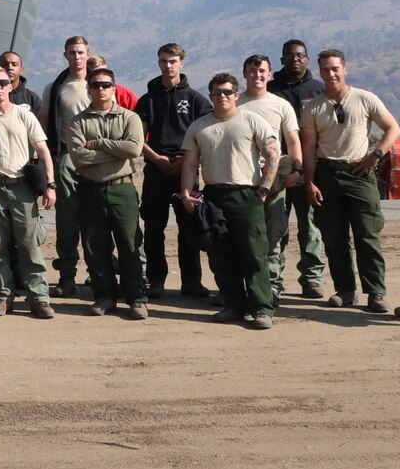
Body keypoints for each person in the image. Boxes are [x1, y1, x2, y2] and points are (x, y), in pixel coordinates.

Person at [300, 49, 400, 313]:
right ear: (319, 72)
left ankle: (376, 292)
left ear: (345, 69)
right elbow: (308, 149)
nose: (330, 74)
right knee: (334, 238)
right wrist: (309, 182)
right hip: (326, 174)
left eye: (335, 69)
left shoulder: (365, 99)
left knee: (367, 236)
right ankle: (345, 291)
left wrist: (376, 155)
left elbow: (393, 128)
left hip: (359, 174)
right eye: (325, 70)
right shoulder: (312, 107)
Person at [180, 73, 282, 329]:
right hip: (213, 196)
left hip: (247, 195)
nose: (222, 96)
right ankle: (234, 305)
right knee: (220, 255)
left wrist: (264, 189)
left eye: (227, 92)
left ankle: (262, 308)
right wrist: (186, 193)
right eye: (216, 92)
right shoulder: (199, 126)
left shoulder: (252, 120)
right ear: (211, 95)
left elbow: (273, 154)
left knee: (254, 253)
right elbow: (191, 164)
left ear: (237, 94)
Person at [0, 68, 57, 318]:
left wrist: (50, 185)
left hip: (22, 186)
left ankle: (39, 297)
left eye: (3, 82)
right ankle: (2, 296)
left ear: (11, 85)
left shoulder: (24, 115)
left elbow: (43, 151)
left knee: (29, 243)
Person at [65, 66, 148, 318]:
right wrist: (115, 151)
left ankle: (136, 297)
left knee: (129, 243)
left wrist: (100, 144)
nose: (100, 89)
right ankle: (104, 296)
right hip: (90, 190)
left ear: (114, 88)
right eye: (95, 85)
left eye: (105, 85)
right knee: (95, 246)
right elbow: (79, 156)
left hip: (122, 189)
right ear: (88, 89)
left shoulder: (129, 118)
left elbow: (134, 149)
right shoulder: (77, 122)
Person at [137, 43, 213, 299]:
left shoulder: (196, 99)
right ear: (158, 63)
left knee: (189, 226)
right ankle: (156, 280)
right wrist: (156, 158)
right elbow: (137, 137)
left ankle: (191, 282)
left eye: (172, 61)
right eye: (163, 61)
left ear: (182, 63)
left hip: (186, 169)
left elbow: (206, 136)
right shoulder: (147, 99)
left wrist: (185, 160)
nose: (167, 66)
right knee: (153, 228)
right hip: (156, 169)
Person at [239, 55, 306, 299]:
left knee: (273, 236)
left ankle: (272, 287)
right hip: (242, 182)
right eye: (253, 70)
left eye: (262, 71)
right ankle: (241, 288)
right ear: (245, 73)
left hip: (275, 183)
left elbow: (293, 141)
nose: (257, 75)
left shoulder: (281, 105)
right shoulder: (234, 103)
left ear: (269, 74)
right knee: (242, 238)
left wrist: (296, 171)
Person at [271, 39, 329, 299]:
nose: (295, 59)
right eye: (289, 55)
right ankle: (274, 280)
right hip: (276, 170)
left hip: (310, 169)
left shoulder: (319, 90)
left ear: (307, 60)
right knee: (277, 226)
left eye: (300, 55)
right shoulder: (270, 90)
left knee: (310, 225)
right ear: (281, 59)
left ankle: (312, 278)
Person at [41, 36, 93, 297]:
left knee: (95, 220)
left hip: (96, 160)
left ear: (88, 54)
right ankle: (67, 276)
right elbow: (45, 128)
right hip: (65, 157)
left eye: (80, 52)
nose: (76, 57)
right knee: (67, 220)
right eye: (72, 52)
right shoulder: (55, 88)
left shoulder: (101, 84)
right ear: (65, 55)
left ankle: (99, 275)